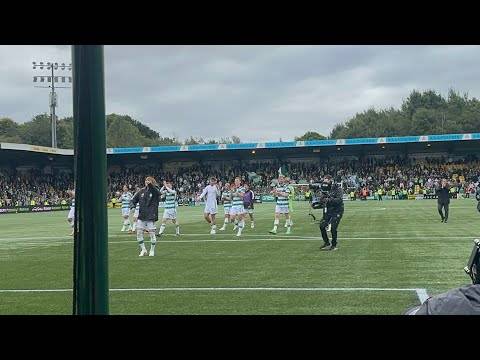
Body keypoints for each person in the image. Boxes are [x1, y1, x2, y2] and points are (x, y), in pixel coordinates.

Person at [130, 176, 161, 257]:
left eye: (149, 180)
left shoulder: (155, 190)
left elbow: (158, 193)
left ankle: (152, 250)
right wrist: (132, 206)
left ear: (152, 182)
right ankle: (143, 249)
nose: (147, 181)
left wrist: (150, 185)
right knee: (139, 233)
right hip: (142, 215)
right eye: (146, 180)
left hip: (151, 215)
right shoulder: (141, 191)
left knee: (151, 234)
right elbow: (133, 200)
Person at [318, 175, 344, 251]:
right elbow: (322, 199)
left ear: (330, 180)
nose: (325, 182)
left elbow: (339, 200)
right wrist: (320, 201)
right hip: (329, 210)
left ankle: (334, 244)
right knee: (322, 226)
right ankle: (326, 242)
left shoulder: (337, 188)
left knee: (333, 228)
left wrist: (328, 200)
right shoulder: (324, 189)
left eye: (326, 180)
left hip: (337, 210)